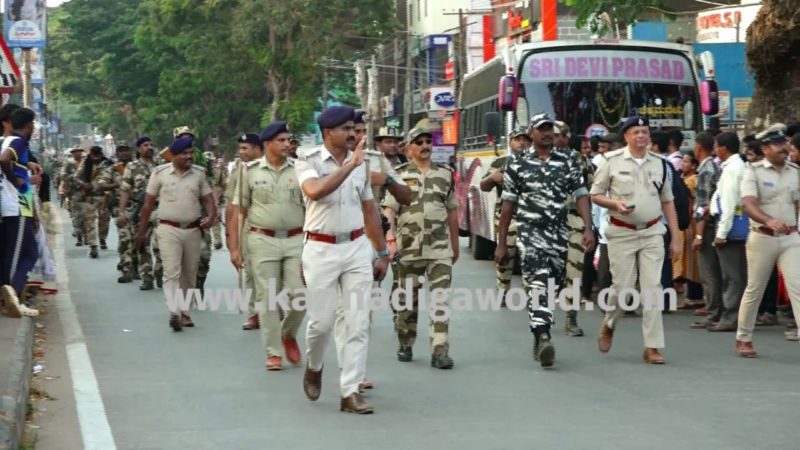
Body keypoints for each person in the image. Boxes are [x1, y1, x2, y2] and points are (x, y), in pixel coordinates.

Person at [296, 106, 389, 414]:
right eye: (346, 129)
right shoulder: (307, 160)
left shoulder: (360, 162)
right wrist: (350, 166)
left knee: (357, 322)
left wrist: (382, 252)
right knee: (321, 323)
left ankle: (350, 391)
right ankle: (314, 364)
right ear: (328, 133)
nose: (353, 133)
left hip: (356, 247)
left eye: (354, 128)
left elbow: (369, 209)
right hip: (320, 248)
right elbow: (315, 191)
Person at [495, 113, 594, 368]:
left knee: (553, 285)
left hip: (559, 234)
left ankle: (539, 332)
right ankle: (543, 335)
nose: (548, 133)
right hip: (530, 234)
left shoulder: (568, 161)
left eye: (550, 129)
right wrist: (501, 243)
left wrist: (588, 228)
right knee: (538, 283)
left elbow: (581, 194)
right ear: (532, 134)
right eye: (542, 129)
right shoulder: (517, 164)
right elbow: (508, 205)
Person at [591, 116, 682, 364]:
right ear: (626, 137)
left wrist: (676, 237)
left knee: (653, 288)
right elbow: (595, 195)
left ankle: (652, 346)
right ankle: (609, 323)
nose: (641, 136)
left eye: (644, 131)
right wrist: (615, 204)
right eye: (636, 132)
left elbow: (668, 201)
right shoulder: (611, 161)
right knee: (623, 288)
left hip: (652, 232)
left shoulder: (660, 163)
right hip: (621, 232)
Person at [229, 122, 306, 370]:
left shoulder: (301, 169)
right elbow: (239, 212)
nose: (287, 144)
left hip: (296, 239)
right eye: (281, 140)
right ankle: (273, 352)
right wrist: (235, 248)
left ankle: (288, 333)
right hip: (262, 239)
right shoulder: (249, 172)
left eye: (288, 140)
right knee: (268, 296)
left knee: (300, 294)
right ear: (267, 144)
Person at [384, 123, 459, 369]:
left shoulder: (445, 174)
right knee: (407, 301)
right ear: (409, 148)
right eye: (419, 142)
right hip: (409, 248)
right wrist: (390, 239)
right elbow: (389, 210)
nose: (425, 146)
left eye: (428, 142)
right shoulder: (399, 175)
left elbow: (452, 211)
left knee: (440, 299)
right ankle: (405, 342)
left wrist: (455, 244)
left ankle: (440, 349)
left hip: (439, 248)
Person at [135, 136, 216, 331]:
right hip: (168, 229)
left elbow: (208, 199)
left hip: (193, 230)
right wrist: (141, 232)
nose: (189, 157)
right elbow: (147, 205)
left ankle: (184, 312)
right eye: (184, 154)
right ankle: (174, 311)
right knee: (171, 271)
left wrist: (211, 217)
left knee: (189, 273)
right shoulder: (159, 173)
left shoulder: (199, 174)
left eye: (190, 153)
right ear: (173, 155)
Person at [734, 124, 800, 357]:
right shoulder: (753, 171)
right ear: (765, 149)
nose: (783, 148)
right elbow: (749, 204)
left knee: (798, 287)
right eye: (777, 144)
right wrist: (768, 220)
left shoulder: (794, 171)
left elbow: (797, 203)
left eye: (784, 143)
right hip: (763, 237)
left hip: (791, 237)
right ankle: (743, 337)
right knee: (755, 288)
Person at [0, 107, 42, 317]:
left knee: (27, 252)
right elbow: (4, 160)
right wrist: (15, 180)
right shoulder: (17, 141)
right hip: (16, 206)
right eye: (32, 125)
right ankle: (12, 296)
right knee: (22, 255)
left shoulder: (7, 141)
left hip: (19, 206)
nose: (33, 129)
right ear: (28, 125)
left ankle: (12, 295)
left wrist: (25, 166)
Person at [480, 128, 530, 306]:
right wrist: (492, 178)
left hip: (530, 216)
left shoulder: (537, 162)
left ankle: (531, 292)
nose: (522, 142)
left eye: (525, 139)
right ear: (510, 142)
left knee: (530, 257)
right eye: (517, 139)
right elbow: (483, 186)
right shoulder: (501, 162)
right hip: (507, 217)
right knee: (505, 256)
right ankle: (503, 290)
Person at [708, 132, 747, 332]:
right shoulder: (734, 166)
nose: (715, 150)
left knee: (732, 276)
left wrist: (721, 233)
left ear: (724, 148)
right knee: (735, 275)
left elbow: (729, 204)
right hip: (732, 226)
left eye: (717, 146)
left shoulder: (732, 169)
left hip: (730, 228)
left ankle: (731, 316)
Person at [226, 133, 263, 330]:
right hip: (249, 228)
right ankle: (254, 313)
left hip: (273, 229)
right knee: (250, 272)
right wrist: (231, 239)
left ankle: (274, 307)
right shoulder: (238, 170)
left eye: (245, 148)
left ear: (258, 149)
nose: (241, 152)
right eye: (240, 148)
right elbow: (232, 205)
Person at [119, 136, 158, 290]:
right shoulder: (132, 167)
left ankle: (160, 270)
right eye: (145, 145)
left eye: (151, 145)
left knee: (162, 243)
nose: (149, 147)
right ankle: (147, 276)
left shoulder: (161, 165)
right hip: (141, 210)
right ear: (139, 149)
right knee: (143, 244)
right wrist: (122, 212)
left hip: (160, 209)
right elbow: (125, 190)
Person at [73, 146, 114, 258]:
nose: (95, 158)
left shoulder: (108, 164)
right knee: (90, 222)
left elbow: (114, 178)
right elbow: (76, 177)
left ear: (101, 155)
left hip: (105, 196)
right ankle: (93, 246)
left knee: (104, 220)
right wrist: (83, 184)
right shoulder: (86, 163)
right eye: (93, 156)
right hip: (90, 196)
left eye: (97, 156)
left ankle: (102, 239)